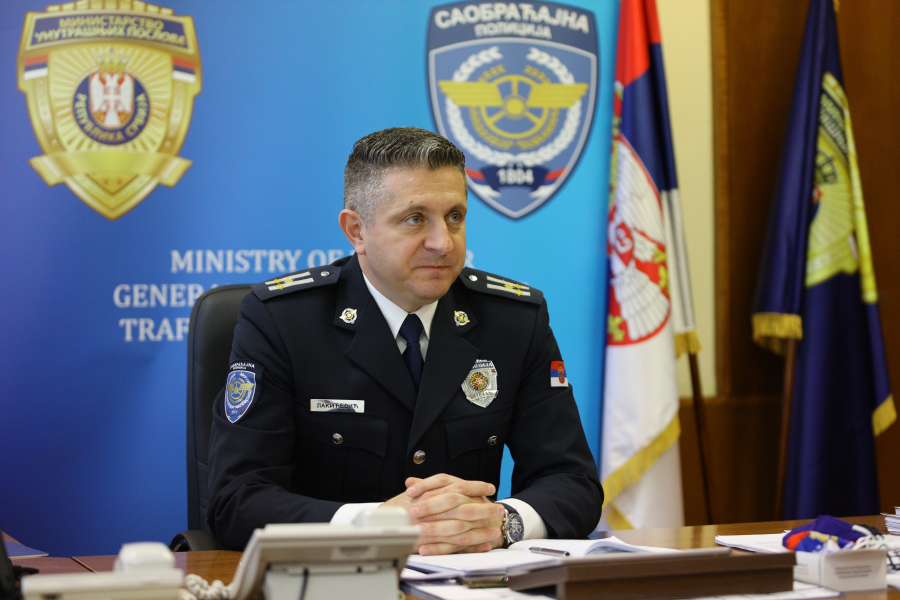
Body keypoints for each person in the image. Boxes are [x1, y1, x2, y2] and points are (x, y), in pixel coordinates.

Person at [207, 127, 603, 553]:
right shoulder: (283, 321)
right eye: (415, 219)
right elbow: (237, 500)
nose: (443, 243)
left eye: (455, 217)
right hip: (333, 578)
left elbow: (573, 482)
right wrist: (376, 524)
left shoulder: (514, 321)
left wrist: (501, 523)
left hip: (471, 578)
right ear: (356, 231)